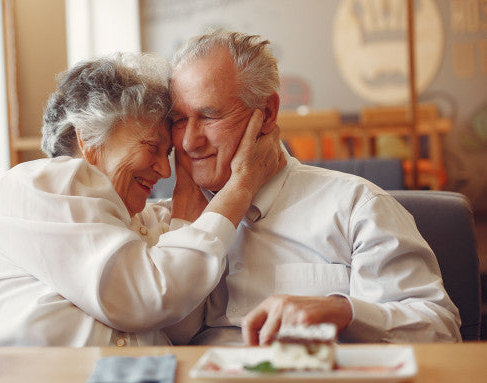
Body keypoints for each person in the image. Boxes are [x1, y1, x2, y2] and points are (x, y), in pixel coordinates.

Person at [0, 52, 282, 346]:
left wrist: (184, 222)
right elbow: (145, 296)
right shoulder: (42, 183)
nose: (164, 170)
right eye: (151, 148)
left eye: (169, 154)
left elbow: (178, 324)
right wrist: (239, 189)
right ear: (89, 139)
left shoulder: (144, 221)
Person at [165, 29, 461, 345]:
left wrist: (342, 311)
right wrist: (184, 223)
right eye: (179, 120)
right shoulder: (163, 220)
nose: (188, 141)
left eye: (209, 116)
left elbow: (441, 331)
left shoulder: (356, 206)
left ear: (267, 114)